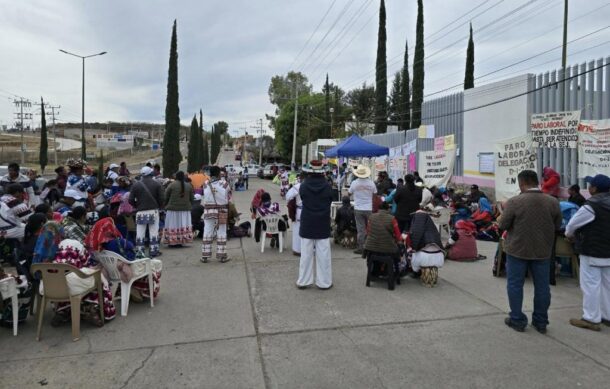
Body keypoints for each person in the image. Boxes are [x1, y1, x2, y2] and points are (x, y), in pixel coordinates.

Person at [498, 170, 562, 334]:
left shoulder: (514, 202)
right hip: (542, 250)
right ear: (537, 182)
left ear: (521, 184)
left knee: (515, 285)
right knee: (542, 287)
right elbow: (557, 226)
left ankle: (517, 319)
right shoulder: (553, 202)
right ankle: (541, 322)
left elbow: (503, 225)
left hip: (517, 250)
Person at [565, 174, 610, 331]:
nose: (588, 187)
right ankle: (607, 315)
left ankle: (591, 318)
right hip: (608, 253)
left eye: (590, 185)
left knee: (590, 285)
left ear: (595, 189)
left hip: (592, 251)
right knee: (607, 285)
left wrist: (569, 235)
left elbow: (571, 226)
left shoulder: (591, 205)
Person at [86, 217, 162, 300]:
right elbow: (132, 247)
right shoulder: (118, 242)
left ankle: (131, 291)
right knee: (155, 263)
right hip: (126, 270)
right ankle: (140, 291)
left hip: (112, 272)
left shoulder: (98, 248)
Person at [51, 238, 116, 325]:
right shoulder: (80, 247)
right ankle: (93, 308)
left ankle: (62, 311)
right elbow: (87, 265)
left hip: (51, 288)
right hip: (74, 287)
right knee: (99, 281)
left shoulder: (51, 251)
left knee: (78, 282)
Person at [297, 160, 333, 290]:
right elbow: (330, 200)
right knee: (323, 254)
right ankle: (324, 282)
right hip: (322, 222)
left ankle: (303, 281)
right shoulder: (327, 186)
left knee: (306, 254)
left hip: (307, 221)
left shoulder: (304, 185)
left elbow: (302, 198)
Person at [129, 166, 165, 257]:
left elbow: (130, 200)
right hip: (153, 211)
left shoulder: (136, 185)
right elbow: (162, 198)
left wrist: (137, 206)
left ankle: (140, 252)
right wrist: (159, 206)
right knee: (153, 232)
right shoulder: (157, 184)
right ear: (151, 173)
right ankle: (154, 251)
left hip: (140, 212)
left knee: (140, 232)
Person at [201, 166, 231, 263]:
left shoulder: (205, 183)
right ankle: (222, 256)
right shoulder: (225, 184)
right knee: (221, 232)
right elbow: (228, 196)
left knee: (207, 231)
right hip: (221, 211)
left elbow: (204, 195)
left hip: (208, 211)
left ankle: (205, 256)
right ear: (219, 174)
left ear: (210, 173)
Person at [408, 210, 445, 287]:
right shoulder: (433, 228)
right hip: (439, 258)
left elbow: (414, 244)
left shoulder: (416, 227)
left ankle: (416, 272)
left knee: (410, 253)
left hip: (423, 258)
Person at [348, 165, 376, 255]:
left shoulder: (354, 183)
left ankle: (361, 248)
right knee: (371, 228)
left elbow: (349, 193)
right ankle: (371, 247)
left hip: (358, 208)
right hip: (369, 208)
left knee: (361, 229)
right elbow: (375, 194)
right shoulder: (371, 183)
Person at [163, 171, 194, 247]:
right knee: (181, 225)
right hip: (185, 211)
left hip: (172, 210)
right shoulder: (189, 185)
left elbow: (165, 196)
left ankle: (172, 242)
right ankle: (181, 241)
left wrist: (165, 205)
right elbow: (192, 199)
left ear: (176, 177)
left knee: (173, 226)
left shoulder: (171, 185)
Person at [286, 174, 304, 256]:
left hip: (299, 211)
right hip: (311, 211)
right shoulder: (314, 186)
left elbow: (288, 197)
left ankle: (297, 250)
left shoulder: (297, 187)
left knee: (297, 230)